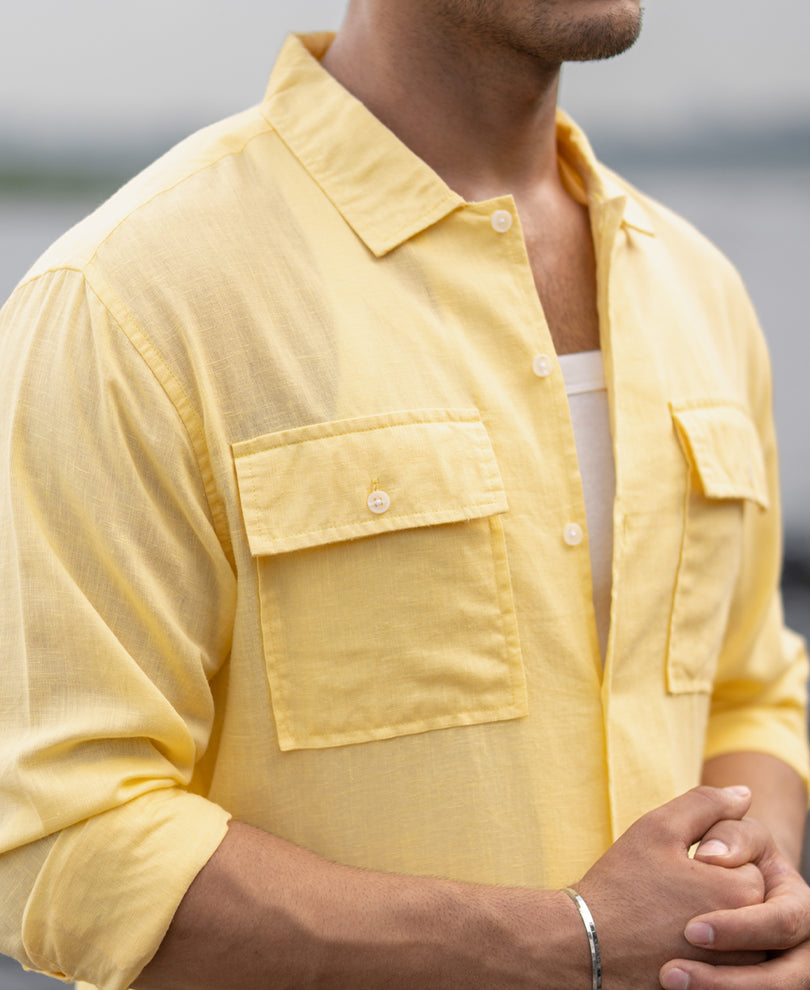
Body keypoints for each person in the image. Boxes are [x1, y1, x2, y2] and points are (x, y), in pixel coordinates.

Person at [1, 1, 809, 988]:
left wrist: (734, 910)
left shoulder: (699, 289)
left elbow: (750, 693)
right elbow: (57, 836)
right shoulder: (127, 299)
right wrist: (576, 941)